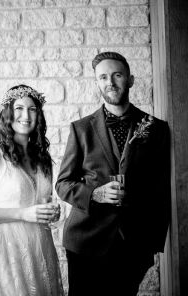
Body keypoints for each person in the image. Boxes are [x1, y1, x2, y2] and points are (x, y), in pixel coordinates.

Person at [56, 52, 170, 296]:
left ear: (130, 80)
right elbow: (63, 183)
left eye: (117, 75)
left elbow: (161, 189)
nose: (110, 82)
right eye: (103, 77)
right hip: (85, 241)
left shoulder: (156, 128)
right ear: (97, 83)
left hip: (133, 245)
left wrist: (153, 243)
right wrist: (94, 194)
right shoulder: (81, 129)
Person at [0, 84, 64, 296]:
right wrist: (23, 213)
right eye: (19, 108)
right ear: (7, 113)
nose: (25, 115)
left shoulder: (42, 155)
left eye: (32, 109)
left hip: (40, 248)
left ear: (39, 115)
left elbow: (43, 202)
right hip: (5, 250)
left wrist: (53, 213)